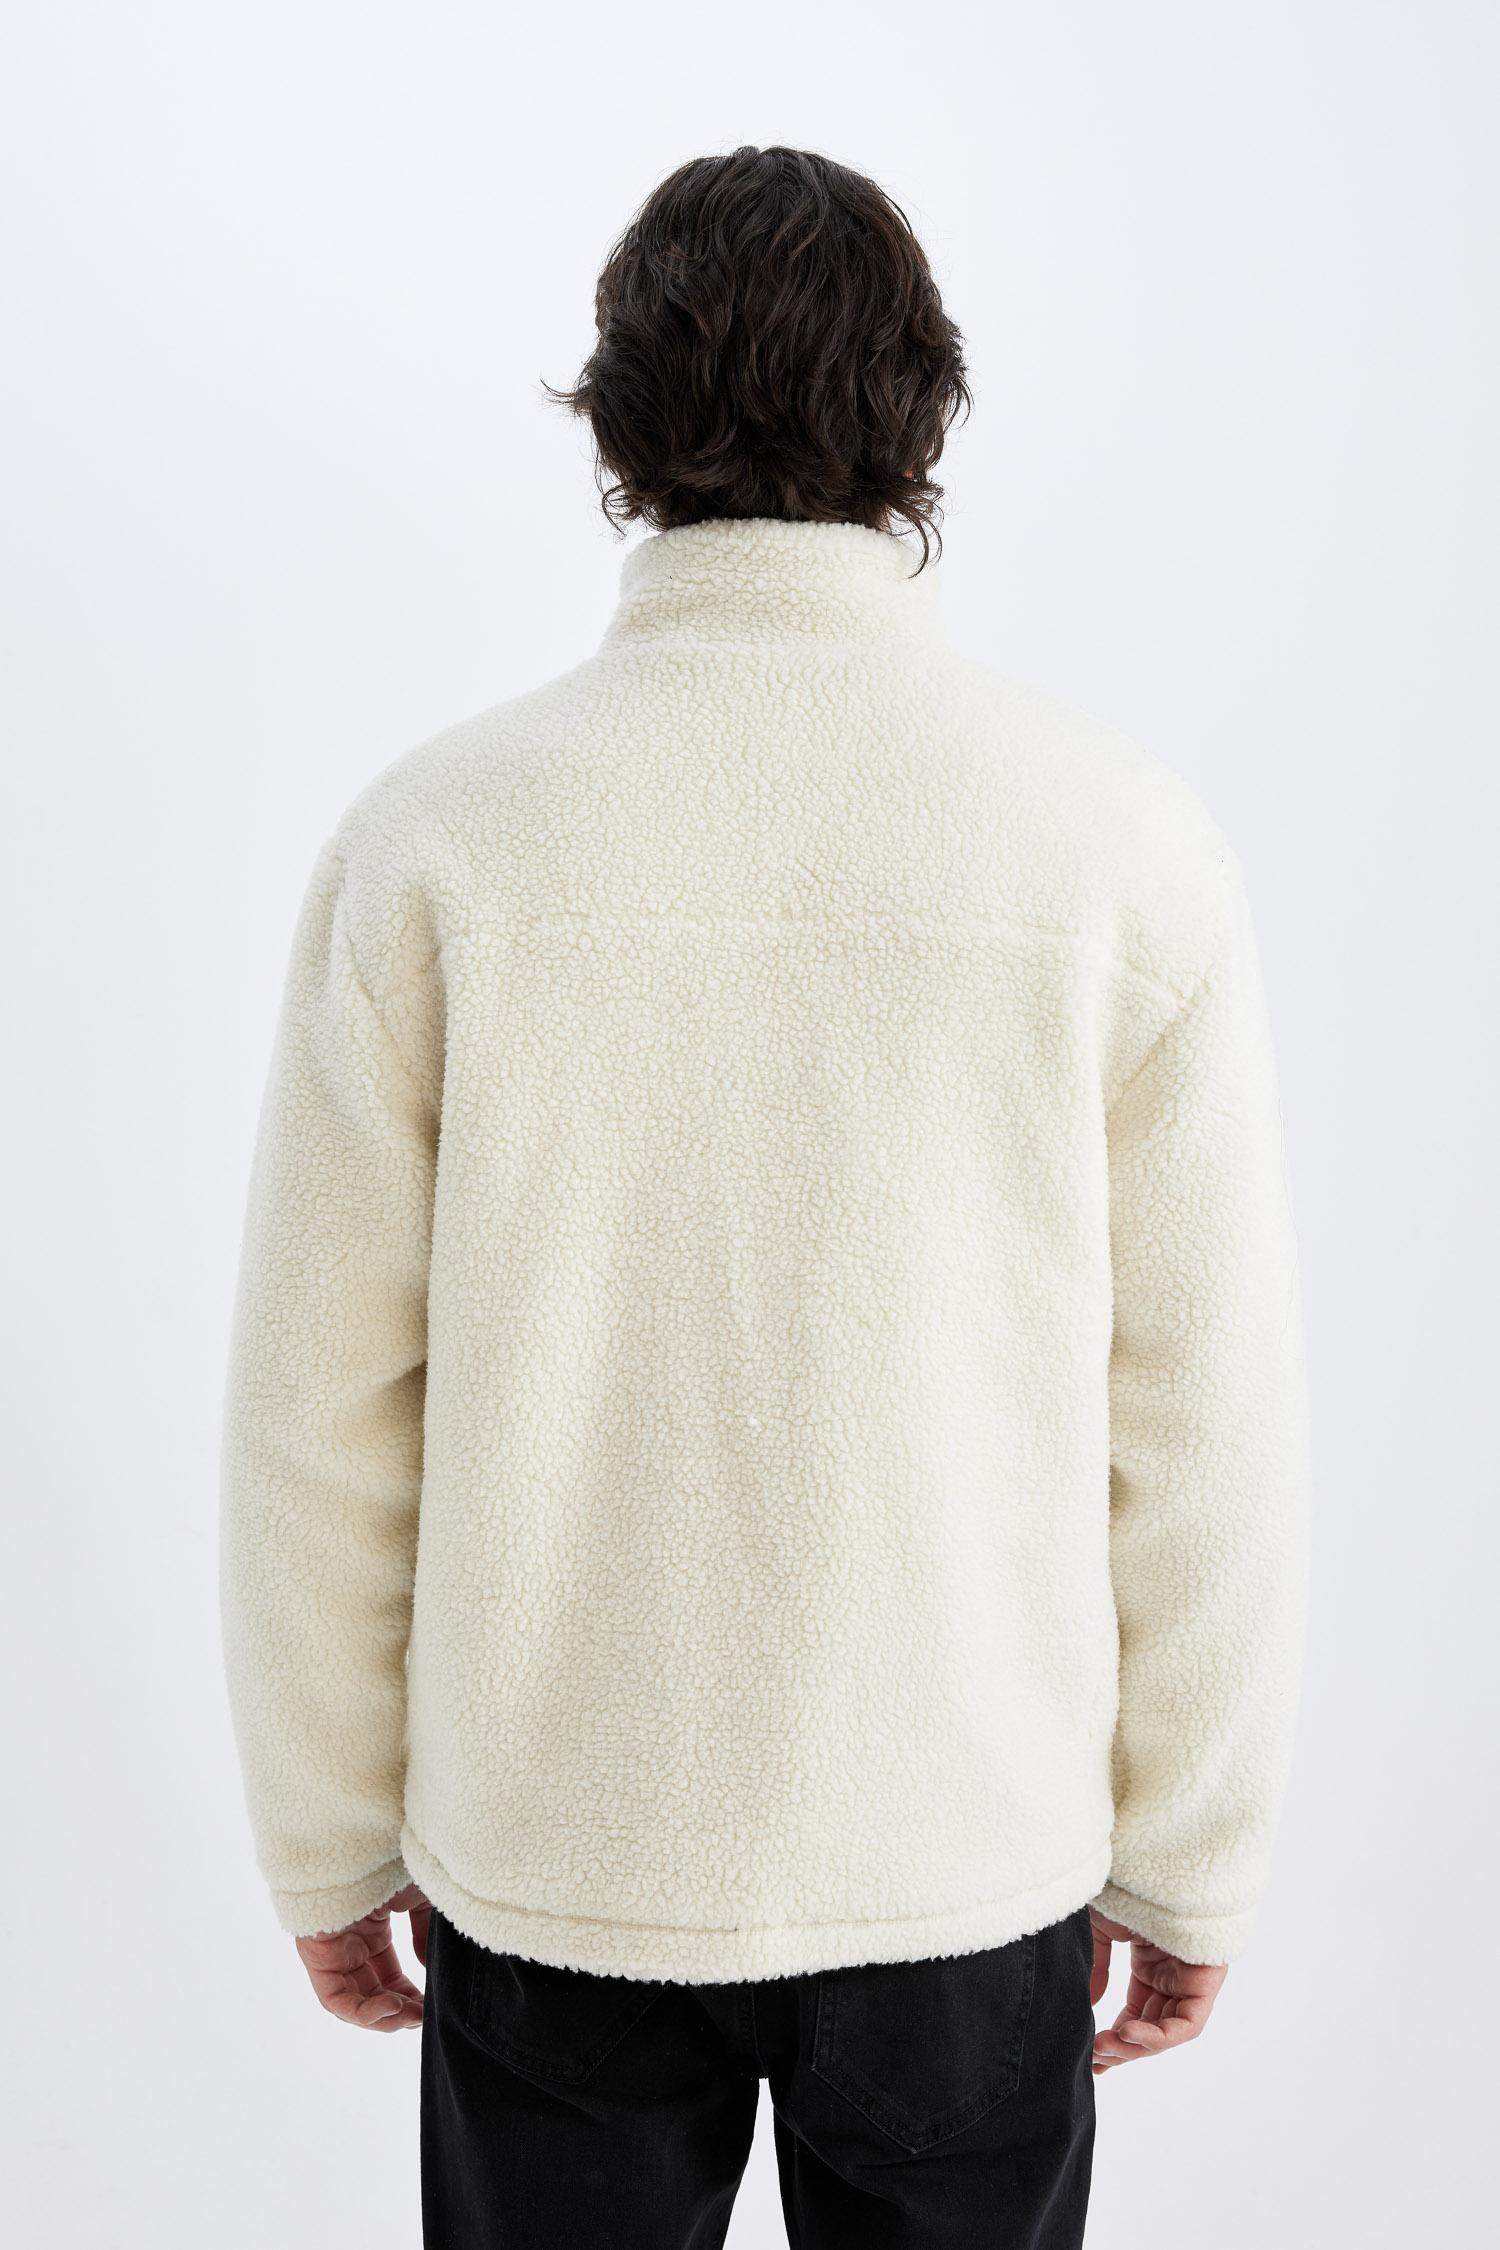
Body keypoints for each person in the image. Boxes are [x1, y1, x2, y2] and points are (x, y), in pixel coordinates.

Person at [221, 144, 1311, 2248]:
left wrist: (326, 1827)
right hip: (961, 1862)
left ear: (619, 421)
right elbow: (1203, 1418)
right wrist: (1194, 1847)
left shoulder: (436, 845)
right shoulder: (1116, 848)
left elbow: (317, 1407)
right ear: (924, 413)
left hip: (556, 1854)